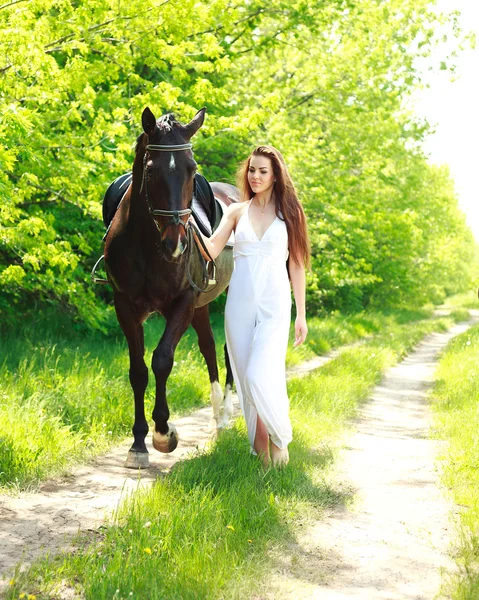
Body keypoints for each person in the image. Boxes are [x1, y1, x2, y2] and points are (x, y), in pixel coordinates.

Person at [192, 145, 310, 467]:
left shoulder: (290, 214)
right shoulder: (235, 212)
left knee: (261, 374)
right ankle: (261, 458)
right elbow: (211, 250)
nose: (255, 176)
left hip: (274, 306)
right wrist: (185, 227)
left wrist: (301, 313)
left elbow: (297, 265)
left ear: (275, 176)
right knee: (246, 383)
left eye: (263, 171)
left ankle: (280, 438)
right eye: (252, 170)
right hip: (239, 307)